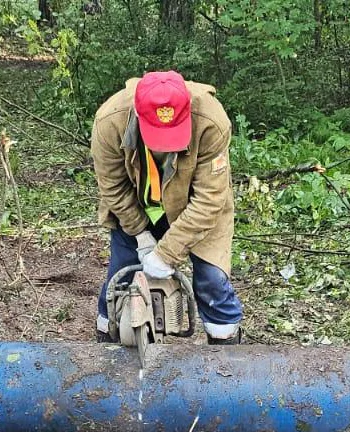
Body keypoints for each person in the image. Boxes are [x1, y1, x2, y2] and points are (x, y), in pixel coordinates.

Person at [91, 70, 243, 345]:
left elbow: (209, 199)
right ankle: (107, 342)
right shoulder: (109, 121)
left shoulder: (211, 121)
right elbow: (113, 186)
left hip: (194, 205)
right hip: (135, 205)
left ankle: (226, 354)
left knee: (212, 279)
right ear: (138, 115)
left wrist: (166, 254)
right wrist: (141, 235)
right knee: (121, 274)